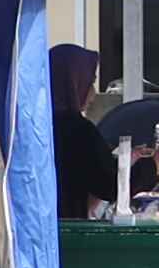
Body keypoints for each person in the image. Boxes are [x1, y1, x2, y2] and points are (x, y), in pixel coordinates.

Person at [43, 42, 115, 219]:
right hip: (67, 235)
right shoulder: (78, 131)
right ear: (73, 81)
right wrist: (158, 158)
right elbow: (110, 185)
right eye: (90, 82)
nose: (93, 93)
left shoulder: (33, 126)